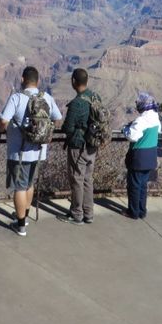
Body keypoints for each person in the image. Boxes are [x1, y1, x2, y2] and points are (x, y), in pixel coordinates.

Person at [0, 66, 62, 236]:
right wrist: (48, 133)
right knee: (29, 184)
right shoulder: (46, 97)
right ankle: (23, 216)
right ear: (38, 81)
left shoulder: (16, 98)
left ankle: (20, 226)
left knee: (19, 187)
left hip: (19, 152)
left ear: (22, 80)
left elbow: (3, 120)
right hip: (40, 150)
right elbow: (58, 119)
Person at [58, 68, 98, 225]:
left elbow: (68, 127)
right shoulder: (95, 97)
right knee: (88, 179)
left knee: (77, 180)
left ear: (73, 82)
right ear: (87, 81)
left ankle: (77, 214)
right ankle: (89, 214)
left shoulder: (76, 103)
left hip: (78, 146)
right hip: (93, 145)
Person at [122, 92, 161, 219]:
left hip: (139, 157)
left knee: (134, 185)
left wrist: (125, 129)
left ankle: (133, 212)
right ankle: (142, 211)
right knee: (143, 186)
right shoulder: (155, 118)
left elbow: (133, 136)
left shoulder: (141, 120)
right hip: (151, 157)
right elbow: (157, 131)